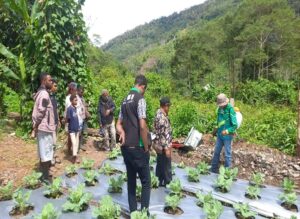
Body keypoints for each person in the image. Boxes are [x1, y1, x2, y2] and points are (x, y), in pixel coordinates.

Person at [116, 75, 151, 214]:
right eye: (145, 89)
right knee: (146, 182)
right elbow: (142, 126)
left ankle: (133, 214)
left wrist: (122, 132)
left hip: (126, 148)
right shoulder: (140, 99)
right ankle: (143, 214)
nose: (144, 92)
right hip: (137, 147)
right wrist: (146, 146)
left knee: (131, 181)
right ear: (142, 86)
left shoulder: (124, 100)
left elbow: (118, 124)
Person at [31, 73, 55, 183]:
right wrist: (35, 126)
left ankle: (42, 175)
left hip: (44, 126)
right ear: (43, 81)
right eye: (49, 80)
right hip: (44, 127)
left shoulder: (42, 93)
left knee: (43, 152)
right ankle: (45, 178)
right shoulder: (44, 94)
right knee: (46, 152)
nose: (52, 82)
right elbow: (41, 112)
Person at [211, 93, 238, 173]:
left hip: (227, 136)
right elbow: (219, 121)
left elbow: (235, 125)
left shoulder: (230, 109)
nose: (221, 106)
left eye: (222, 104)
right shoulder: (219, 109)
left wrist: (226, 131)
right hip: (220, 135)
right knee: (216, 152)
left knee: (227, 154)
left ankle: (227, 172)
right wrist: (215, 130)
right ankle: (213, 169)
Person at [154, 97, 172, 187]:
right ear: (166, 106)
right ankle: (168, 183)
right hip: (163, 145)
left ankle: (159, 180)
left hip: (160, 145)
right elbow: (162, 134)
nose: (169, 108)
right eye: (169, 106)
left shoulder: (160, 113)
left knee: (160, 163)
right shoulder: (161, 117)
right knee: (166, 165)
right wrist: (166, 147)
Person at [66, 94, 80, 163]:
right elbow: (68, 119)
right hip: (71, 129)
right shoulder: (69, 109)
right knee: (74, 143)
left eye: (76, 100)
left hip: (76, 128)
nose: (76, 101)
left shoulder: (75, 108)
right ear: (71, 101)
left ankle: (75, 156)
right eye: (75, 100)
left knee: (76, 143)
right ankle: (74, 157)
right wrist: (67, 128)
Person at [77, 86, 90, 151]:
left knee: (82, 132)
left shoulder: (82, 98)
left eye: (83, 92)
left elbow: (83, 106)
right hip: (78, 118)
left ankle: (80, 145)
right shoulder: (76, 98)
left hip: (83, 117)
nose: (82, 93)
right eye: (81, 92)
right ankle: (77, 147)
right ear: (78, 91)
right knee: (78, 133)